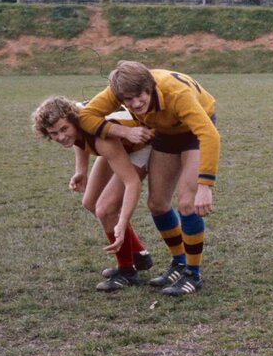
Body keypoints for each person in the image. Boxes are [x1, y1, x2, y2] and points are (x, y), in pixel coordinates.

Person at [79, 61, 220, 297]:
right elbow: (85, 116)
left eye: (139, 97)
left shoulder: (177, 93)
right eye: (128, 100)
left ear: (150, 86)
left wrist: (205, 185)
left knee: (187, 203)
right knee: (157, 204)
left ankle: (193, 275)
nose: (134, 104)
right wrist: (123, 131)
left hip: (194, 132)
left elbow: (209, 135)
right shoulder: (118, 90)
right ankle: (179, 262)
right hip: (164, 133)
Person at [32, 96, 153, 291]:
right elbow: (78, 140)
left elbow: (132, 183)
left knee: (105, 210)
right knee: (91, 202)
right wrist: (81, 170)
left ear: (74, 121)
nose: (61, 137)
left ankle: (127, 272)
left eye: (64, 129)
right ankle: (139, 254)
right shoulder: (77, 120)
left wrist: (122, 222)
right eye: (53, 133)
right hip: (118, 142)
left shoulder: (100, 136)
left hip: (140, 147)